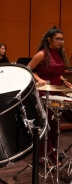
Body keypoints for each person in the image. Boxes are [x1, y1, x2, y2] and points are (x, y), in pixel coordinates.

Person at [27, 26, 72, 165]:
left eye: (62, 39)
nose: (60, 42)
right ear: (49, 39)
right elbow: (27, 68)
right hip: (44, 91)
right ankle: (46, 157)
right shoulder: (41, 54)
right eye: (57, 39)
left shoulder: (58, 54)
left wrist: (64, 80)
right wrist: (38, 79)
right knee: (48, 125)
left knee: (55, 124)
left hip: (56, 89)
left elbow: (56, 71)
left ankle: (54, 153)